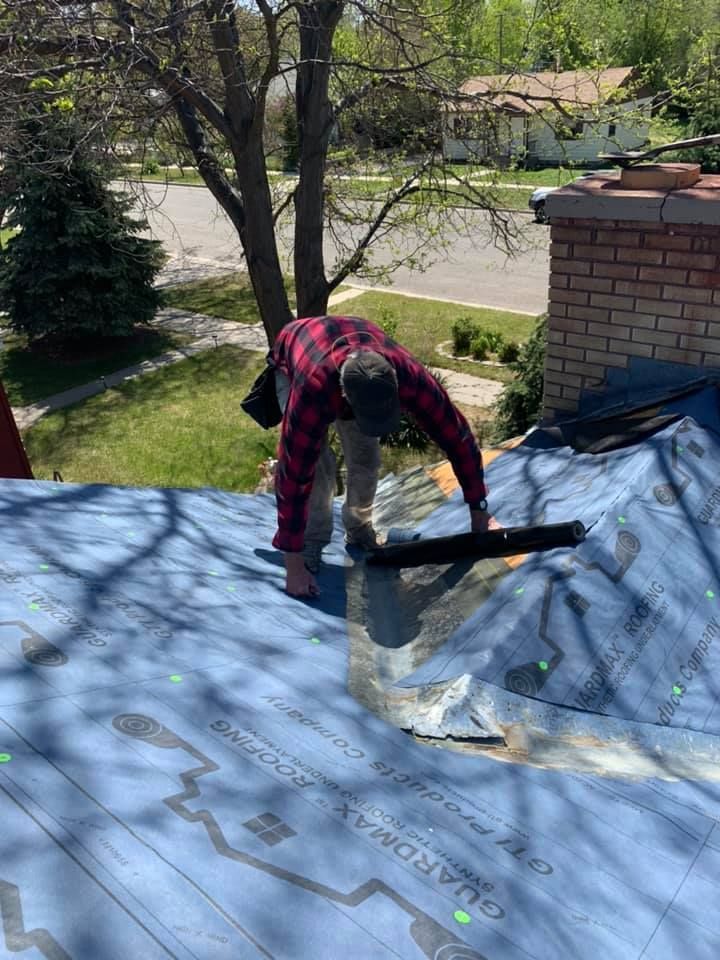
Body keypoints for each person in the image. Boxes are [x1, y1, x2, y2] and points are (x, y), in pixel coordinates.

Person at [271, 315, 495, 597]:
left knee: (366, 457)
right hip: (298, 352)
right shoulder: (313, 390)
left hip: (347, 351)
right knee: (316, 466)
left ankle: (359, 527)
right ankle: (310, 542)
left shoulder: (410, 377)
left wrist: (479, 509)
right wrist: (293, 566)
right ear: (346, 397)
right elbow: (293, 474)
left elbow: (457, 438)